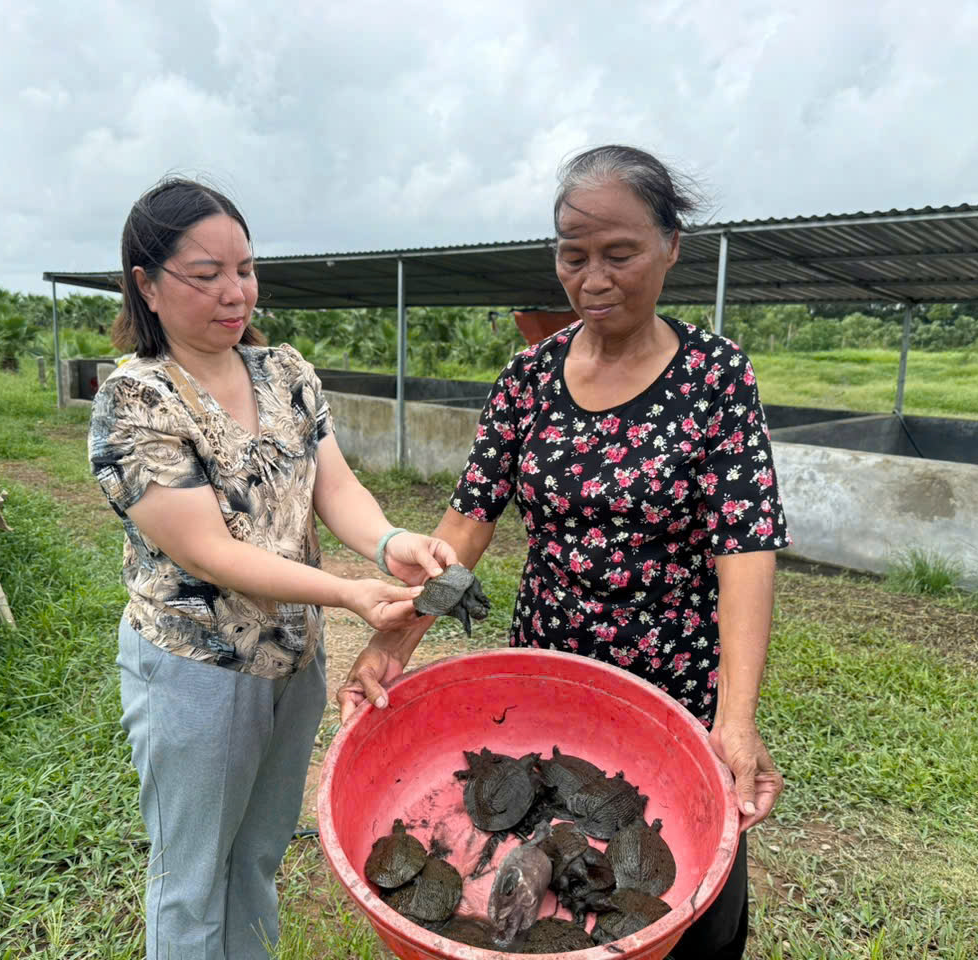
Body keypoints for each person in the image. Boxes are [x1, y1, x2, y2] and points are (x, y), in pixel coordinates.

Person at [338, 145, 790, 959]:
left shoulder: (716, 378)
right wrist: (390, 643)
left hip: (673, 688)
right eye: (572, 256)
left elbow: (746, 551)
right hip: (551, 685)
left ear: (671, 245)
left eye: (620, 254)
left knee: (690, 905)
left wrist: (737, 721)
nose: (593, 279)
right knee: (549, 899)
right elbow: (465, 528)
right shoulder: (528, 379)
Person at [88, 176, 457, 960]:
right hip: (197, 665)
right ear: (147, 286)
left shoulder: (284, 373)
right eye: (206, 273)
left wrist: (391, 545)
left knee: (256, 857)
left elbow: (336, 486)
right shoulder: (138, 400)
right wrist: (351, 593)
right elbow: (209, 552)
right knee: (190, 879)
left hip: (293, 659)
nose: (235, 292)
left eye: (245, 269)